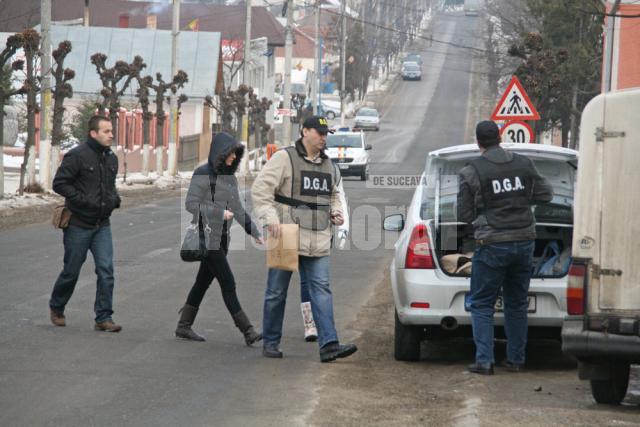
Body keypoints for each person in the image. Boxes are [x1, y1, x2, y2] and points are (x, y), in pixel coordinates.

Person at [252, 115, 358, 362]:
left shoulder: (329, 166)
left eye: (325, 133)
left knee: (321, 290)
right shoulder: (284, 158)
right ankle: (271, 341)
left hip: (318, 237)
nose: (323, 137)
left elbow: (334, 196)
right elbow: (261, 190)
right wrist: (270, 220)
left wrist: (336, 213)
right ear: (305, 132)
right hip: (286, 234)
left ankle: (329, 345)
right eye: (319, 132)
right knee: (276, 291)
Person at [457, 120, 553, 375]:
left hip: (492, 244)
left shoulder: (470, 171)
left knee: (481, 303)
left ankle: (484, 361)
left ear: (478, 142)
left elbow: (465, 215)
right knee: (516, 302)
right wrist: (520, 201)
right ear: (500, 137)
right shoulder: (524, 163)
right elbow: (546, 195)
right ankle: (516, 360)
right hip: (524, 242)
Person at [176, 132, 264, 346]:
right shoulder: (202, 173)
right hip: (206, 238)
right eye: (231, 153)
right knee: (228, 282)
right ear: (220, 153)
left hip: (222, 240)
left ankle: (183, 326)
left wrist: (254, 231)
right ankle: (248, 331)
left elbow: (238, 209)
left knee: (202, 282)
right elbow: (191, 204)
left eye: (236, 154)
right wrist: (218, 213)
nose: (234, 157)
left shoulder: (230, 178)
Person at [49, 115, 122, 332]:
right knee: (71, 270)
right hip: (78, 224)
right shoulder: (77, 156)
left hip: (102, 225)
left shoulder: (111, 158)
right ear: (93, 133)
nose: (111, 135)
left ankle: (104, 317)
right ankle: (57, 306)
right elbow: (60, 183)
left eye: (111, 131)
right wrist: (83, 200)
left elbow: (110, 186)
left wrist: (114, 200)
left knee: (106, 270)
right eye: (106, 131)